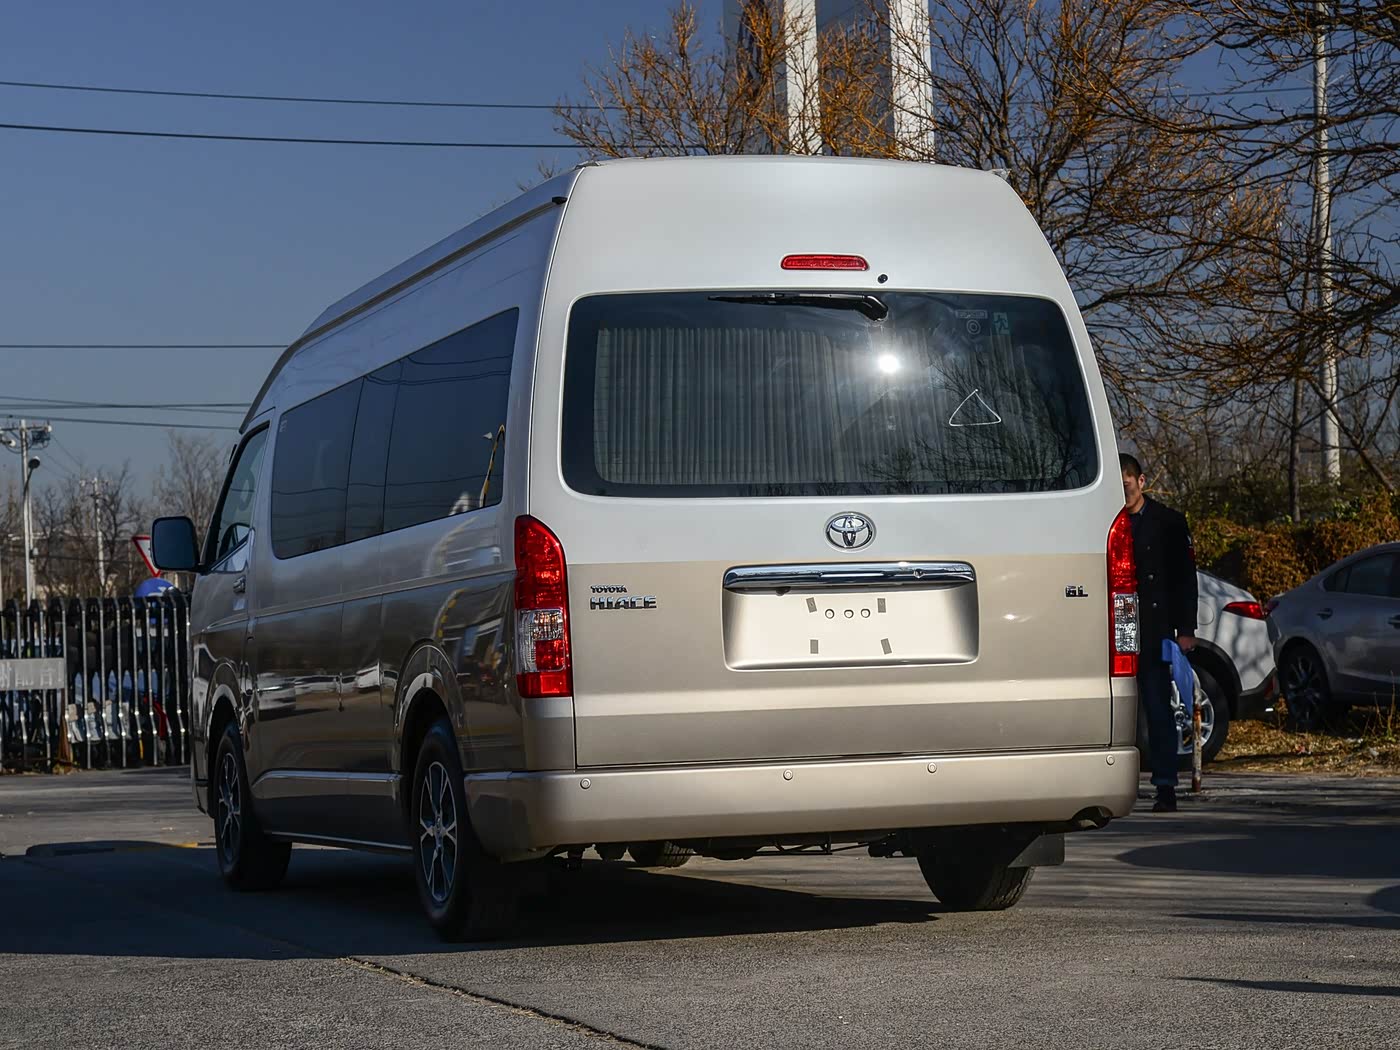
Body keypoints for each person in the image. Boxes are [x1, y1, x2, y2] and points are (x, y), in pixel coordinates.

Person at [1120, 452, 1197, 813]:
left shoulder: (1168, 522)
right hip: (1119, 625)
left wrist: (1185, 629)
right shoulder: (1109, 523)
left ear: (1141, 482)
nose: (1124, 493)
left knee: (1157, 706)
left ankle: (1165, 785)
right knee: (1121, 709)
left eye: (1128, 485)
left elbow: (1185, 579)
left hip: (1154, 627)